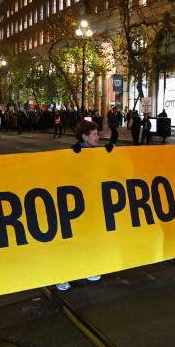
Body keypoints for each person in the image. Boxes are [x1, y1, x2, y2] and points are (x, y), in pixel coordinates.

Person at [57, 121, 113, 291]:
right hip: (74, 206)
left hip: (93, 203)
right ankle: (63, 275)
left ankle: (88, 268)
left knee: (91, 238)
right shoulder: (72, 153)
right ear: (84, 137)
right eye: (95, 134)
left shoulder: (99, 152)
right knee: (73, 241)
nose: (98, 137)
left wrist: (111, 154)